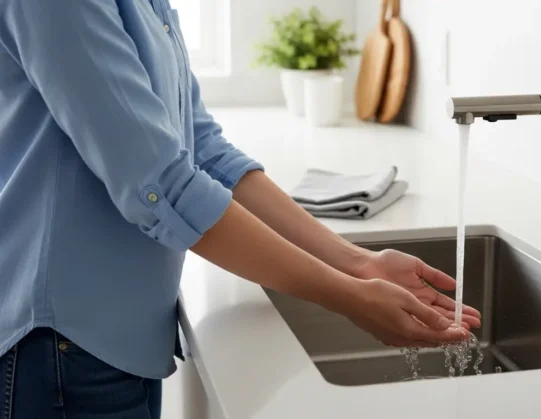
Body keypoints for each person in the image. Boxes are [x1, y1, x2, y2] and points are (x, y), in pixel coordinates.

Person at [0, 1, 481, 418]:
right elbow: (160, 183)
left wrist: (358, 263)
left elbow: (203, 148)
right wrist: (351, 299)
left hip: (116, 341)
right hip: (60, 345)